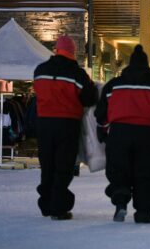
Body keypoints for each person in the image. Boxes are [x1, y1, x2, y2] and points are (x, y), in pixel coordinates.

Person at [95, 45, 150, 224]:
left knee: (118, 169)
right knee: (145, 173)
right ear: (147, 65)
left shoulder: (113, 86)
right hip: (149, 134)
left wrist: (102, 131)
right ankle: (144, 212)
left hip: (119, 132)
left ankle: (121, 198)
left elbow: (101, 112)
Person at [33, 35, 98, 220]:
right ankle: (58, 207)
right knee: (63, 165)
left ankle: (46, 203)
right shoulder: (77, 74)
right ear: (72, 51)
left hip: (44, 123)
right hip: (67, 124)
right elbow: (89, 98)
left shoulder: (40, 70)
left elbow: (38, 92)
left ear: (56, 49)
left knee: (47, 164)